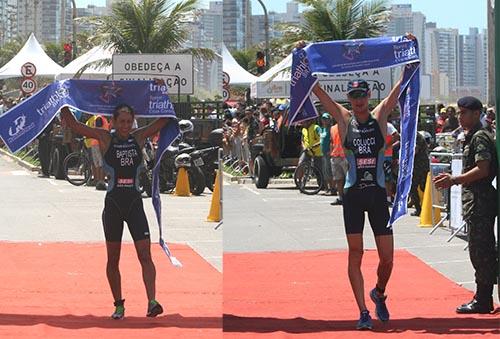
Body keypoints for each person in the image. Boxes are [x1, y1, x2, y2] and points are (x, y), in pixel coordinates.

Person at [305, 34, 416, 328]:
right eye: (353, 97)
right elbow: (317, 91)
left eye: (362, 96)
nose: (358, 101)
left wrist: (410, 52)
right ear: (349, 99)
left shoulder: (379, 117)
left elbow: (398, 88)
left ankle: (379, 293)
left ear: (368, 96)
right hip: (353, 196)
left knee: (387, 259)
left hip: (378, 196)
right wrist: (301, 59)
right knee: (355, 253)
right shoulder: (343, 119)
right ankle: (362, 311)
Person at [61, 104, 172, 319]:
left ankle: (152, 301)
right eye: (121, 122)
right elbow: (75, 125)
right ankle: (119, 304)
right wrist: (63, 103)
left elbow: (164, 120)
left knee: (145, 255)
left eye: (128, 122)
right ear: (113, 121)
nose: (125, 126)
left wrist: (160, 93)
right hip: (113, 204)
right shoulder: (105, 138)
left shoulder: (138, 137)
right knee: (113, 258)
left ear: (133, 121)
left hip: (134, 202)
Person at [434, 96, 498, 314]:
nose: (460, 117)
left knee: (482, 252)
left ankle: (483, 299)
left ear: (476, 113)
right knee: (478, 251)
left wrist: (454, 179)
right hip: (476, 201)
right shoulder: (473, 136)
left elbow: (483, 169)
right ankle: (483, 297)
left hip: (481, 201)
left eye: (464, 113)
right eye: (459, 113)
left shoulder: (480, 136)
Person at [409, 132, 429, 216]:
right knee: (415, 188)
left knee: (419, 187)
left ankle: (424, 209)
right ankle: (420, 209)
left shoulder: (417, 136)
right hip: (417, 165)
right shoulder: (411, 135)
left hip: (420, 166)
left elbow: (415, 150)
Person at [330, 121, 348, 205]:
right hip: (335, 155)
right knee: (338, 179)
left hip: (345, 155)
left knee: (348, 178)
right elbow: (331, 141)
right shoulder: (333, 128)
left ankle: (350, 197)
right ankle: (341, 198)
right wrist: (331, 154)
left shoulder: (348, 126)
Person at [384, 121, 400, 205]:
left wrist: (388, 146)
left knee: (387, 178)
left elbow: (396, 136)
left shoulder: (388, 126)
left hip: (386, 156)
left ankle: (388, 199)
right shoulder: (373, 125)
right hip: (376, 156)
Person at [319, 113, 334, 194]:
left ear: (329, 120)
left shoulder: (331, 129)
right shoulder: (322, 129)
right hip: (323, 153)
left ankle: (332, 189)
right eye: (323, 119)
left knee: (329, 171)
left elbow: (332, 141)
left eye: (326, 119)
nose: (324, 120)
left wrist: (331, 151)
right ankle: (327, 188)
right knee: (325, 171)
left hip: (328, 153)